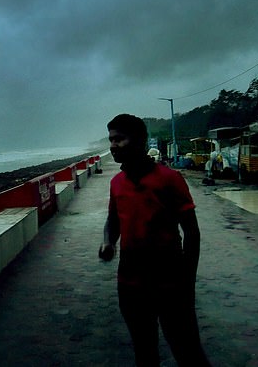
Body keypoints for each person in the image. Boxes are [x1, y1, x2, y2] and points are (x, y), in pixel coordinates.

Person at [99, 114, 210, 367]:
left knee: (187, 350)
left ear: (138, 140)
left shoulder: (169, 179)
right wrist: (108, 242)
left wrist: (187, 282)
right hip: (130, 282)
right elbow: (113, 220)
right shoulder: (117, 183)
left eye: (119, 139)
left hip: (169, 281)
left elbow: (191, 232)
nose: (113, 145)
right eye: (111, 140)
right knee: (144, 351)